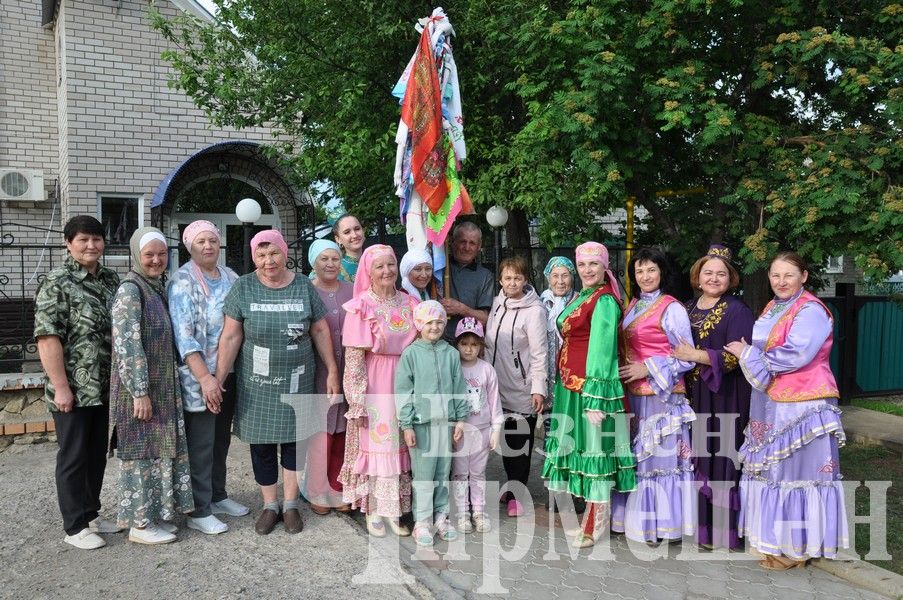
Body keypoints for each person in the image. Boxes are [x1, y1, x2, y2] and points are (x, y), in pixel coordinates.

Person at [726, 251, 848, 570]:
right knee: (775, 471)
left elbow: (796, 354)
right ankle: (776, 541)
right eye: (775, 275)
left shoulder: (811, 310)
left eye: (789, 275)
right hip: (771, 400)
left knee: (798, 473)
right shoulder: (773, 306)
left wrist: (747, 354)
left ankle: (798, 549)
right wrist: (751, 355)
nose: (781, 282)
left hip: (804, 405)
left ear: (804, 276)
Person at [215, 229, 340, 535]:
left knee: (295, 442)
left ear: (285, 253)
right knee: (262, 445)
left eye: (274, 253)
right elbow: (231, 336)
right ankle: (270, 505)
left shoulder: (302, 286)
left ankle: (292, 503)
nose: (268, 261)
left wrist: (333, 370)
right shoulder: (243, 287)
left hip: (298, 379)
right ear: (254, 257)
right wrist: (218, 379)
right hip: (257, 384)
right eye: (261, 254)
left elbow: (320, 331)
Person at [34, 216, 121, 550]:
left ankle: (91, 513)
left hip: (103, 386)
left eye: (97, 239)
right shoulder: (57, 282)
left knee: (97, 453)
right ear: (68, 242)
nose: (91, 246)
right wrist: (61, 386)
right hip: (72, 387)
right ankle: (74, 527)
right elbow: (47, 337)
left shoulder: (110, 279)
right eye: (83, 239)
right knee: (73, 456)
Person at [541, 242, 636, 547]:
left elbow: (602, 351)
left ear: (605, 266)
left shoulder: (604, 301)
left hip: (591, 389)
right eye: (582, 265)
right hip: (571, 387)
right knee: (581, 451)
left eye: (594, 264)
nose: (587, 270)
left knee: (596, 451)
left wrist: (597, 399)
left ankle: (595, 525)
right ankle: (585, 520)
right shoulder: (585, 296)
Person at [109, 227, 194, 545]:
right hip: (141, 391)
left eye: (162, 253)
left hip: (161, 388)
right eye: (149, 255)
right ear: (136, 256)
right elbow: (127, 345)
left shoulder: (154, 286)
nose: (156, 259)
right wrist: (139, 391)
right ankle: (140, 525)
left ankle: (154, 515)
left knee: (159, 452)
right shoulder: (131, 290)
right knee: (141, 453)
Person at [168, 220, 249, 537]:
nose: (208, 246)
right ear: (190, 245)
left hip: (227, 372)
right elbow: (184, 337)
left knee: (220, 440)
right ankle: (198, 509)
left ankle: (217, 495)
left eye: (212, 240)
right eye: (201, 241)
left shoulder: (230, 276)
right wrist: (206, 378)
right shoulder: (182, 281)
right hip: (198, 377)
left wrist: (221, 375)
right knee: (200, 443)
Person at [671, 244, 753, 550]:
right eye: (708, 272)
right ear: (697, 275)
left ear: (731, 278)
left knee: (724, 457)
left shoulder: (738, 310)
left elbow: (735, 358)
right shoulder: (686, 308)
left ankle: (726, 532)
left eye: (721, 274)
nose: (714, 278)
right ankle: (704, 530)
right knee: (701, 457)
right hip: (694, 396)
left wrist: (694, 355)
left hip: (727, 394)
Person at [614, 247, 696, 544]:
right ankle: (630, 521)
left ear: (662, 272)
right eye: (639, 271)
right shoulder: (633, 305)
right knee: (636, 459)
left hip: (661, 394)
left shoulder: (672, 308)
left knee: (657, 460)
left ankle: (659, 527)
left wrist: (647, 368)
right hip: (632, 394)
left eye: (651, 270)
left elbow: (686, 357)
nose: (645, 276)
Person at [338, 244, 418, 537]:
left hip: (406, 380)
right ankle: (373, 508)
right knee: (379, 445)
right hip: (376, 382)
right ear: (368, 272)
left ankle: (395, 510)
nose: (387, 271)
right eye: (379, 266)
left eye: (391, 265)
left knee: (401, 446)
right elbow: (355, 360)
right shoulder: (361, 306)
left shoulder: (410, 303)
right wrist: (357, 400)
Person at [395, 301, 470, 546]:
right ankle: (422, 521)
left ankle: (441, 516)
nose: (435, 327)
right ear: (419, 324)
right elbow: (403, 391)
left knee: (441, 472)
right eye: (429, 322)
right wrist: (406, 425)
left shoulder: (450, 354)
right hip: (421, 424)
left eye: (439, 322)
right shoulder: (411, 354)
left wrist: (460, 419)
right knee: (424, 475)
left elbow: (459, 386)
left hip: (445, 424)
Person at [484, 255, 548, 518]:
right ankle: (512, 486)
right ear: (501, 279)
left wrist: (538, 387)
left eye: (517, 278)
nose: (512, 282)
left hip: (521, 387)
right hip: (497, 384)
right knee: (506, 441)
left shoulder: (535, 311)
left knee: (520, 443)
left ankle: (518, 495)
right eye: (507, 277)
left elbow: (539, 352)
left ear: (525, 280)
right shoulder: (498, 303)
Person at [302, 239, 353, 514]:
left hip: (350, 372)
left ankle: (338, 486)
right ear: (314, 263)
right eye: (324, 259)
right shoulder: (306, 291)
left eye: (335, 259)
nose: (331, 264)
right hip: (318, 372)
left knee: (344, 431)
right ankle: (316, 490)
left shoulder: (353, 291)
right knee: (321, 432)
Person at [451, 317, 503, 534]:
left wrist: (496, 430)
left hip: (482, 430)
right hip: (459, 432)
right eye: (464, 344)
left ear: (481, 346)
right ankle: (462, 512)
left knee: (478, 472)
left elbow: (494, 401)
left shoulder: (487, 370)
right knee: (461, 473)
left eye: (474, 344)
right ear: (457, 345)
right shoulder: (453, 368)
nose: (469, 349)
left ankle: (479, 511)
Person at [539, 256, 578, 447]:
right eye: (555, 276)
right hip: (547, 375)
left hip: (571, 374)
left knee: (571, 427)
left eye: (565, 276)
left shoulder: (579, 302)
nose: (560, 281)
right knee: (550, 429)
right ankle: (551, 469)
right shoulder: (540, 303)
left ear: (572, 277)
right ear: (548, 277)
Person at [440, 221, 494, 340]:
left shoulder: (486, 276)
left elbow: (485, 318)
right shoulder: (438, 269)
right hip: (438, 342)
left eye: (472, 243)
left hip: (469, 346)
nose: (467, 248)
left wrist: (461, 308)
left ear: (479, 246)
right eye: (463, 242)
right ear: (453, 243)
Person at [332, 214, 366, 282]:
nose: (354, 235)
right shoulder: (334, 268)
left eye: (357, 229)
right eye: (347, 232)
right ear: (338, 239)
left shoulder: (376, 260)